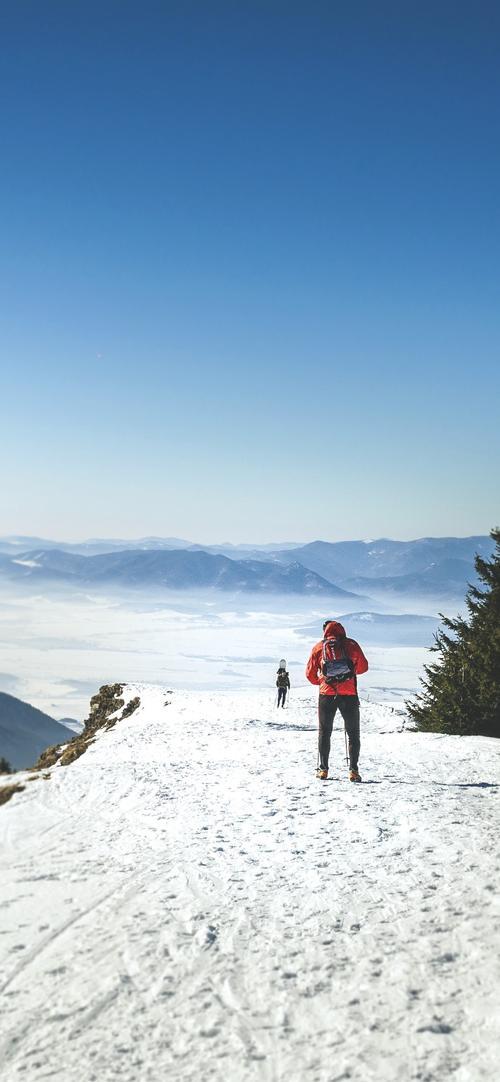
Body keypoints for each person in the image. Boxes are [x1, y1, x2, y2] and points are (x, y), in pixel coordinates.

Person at [306, 619, 368, 782]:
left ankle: (323, 770)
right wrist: (348, 674)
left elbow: (310, 674)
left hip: (326, 694)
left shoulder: (319, 647)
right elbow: (363, 667)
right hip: (349, 694)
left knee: (325, 732)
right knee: (353, 733)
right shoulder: (352, 645)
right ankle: (353, 771)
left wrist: (323, 681)